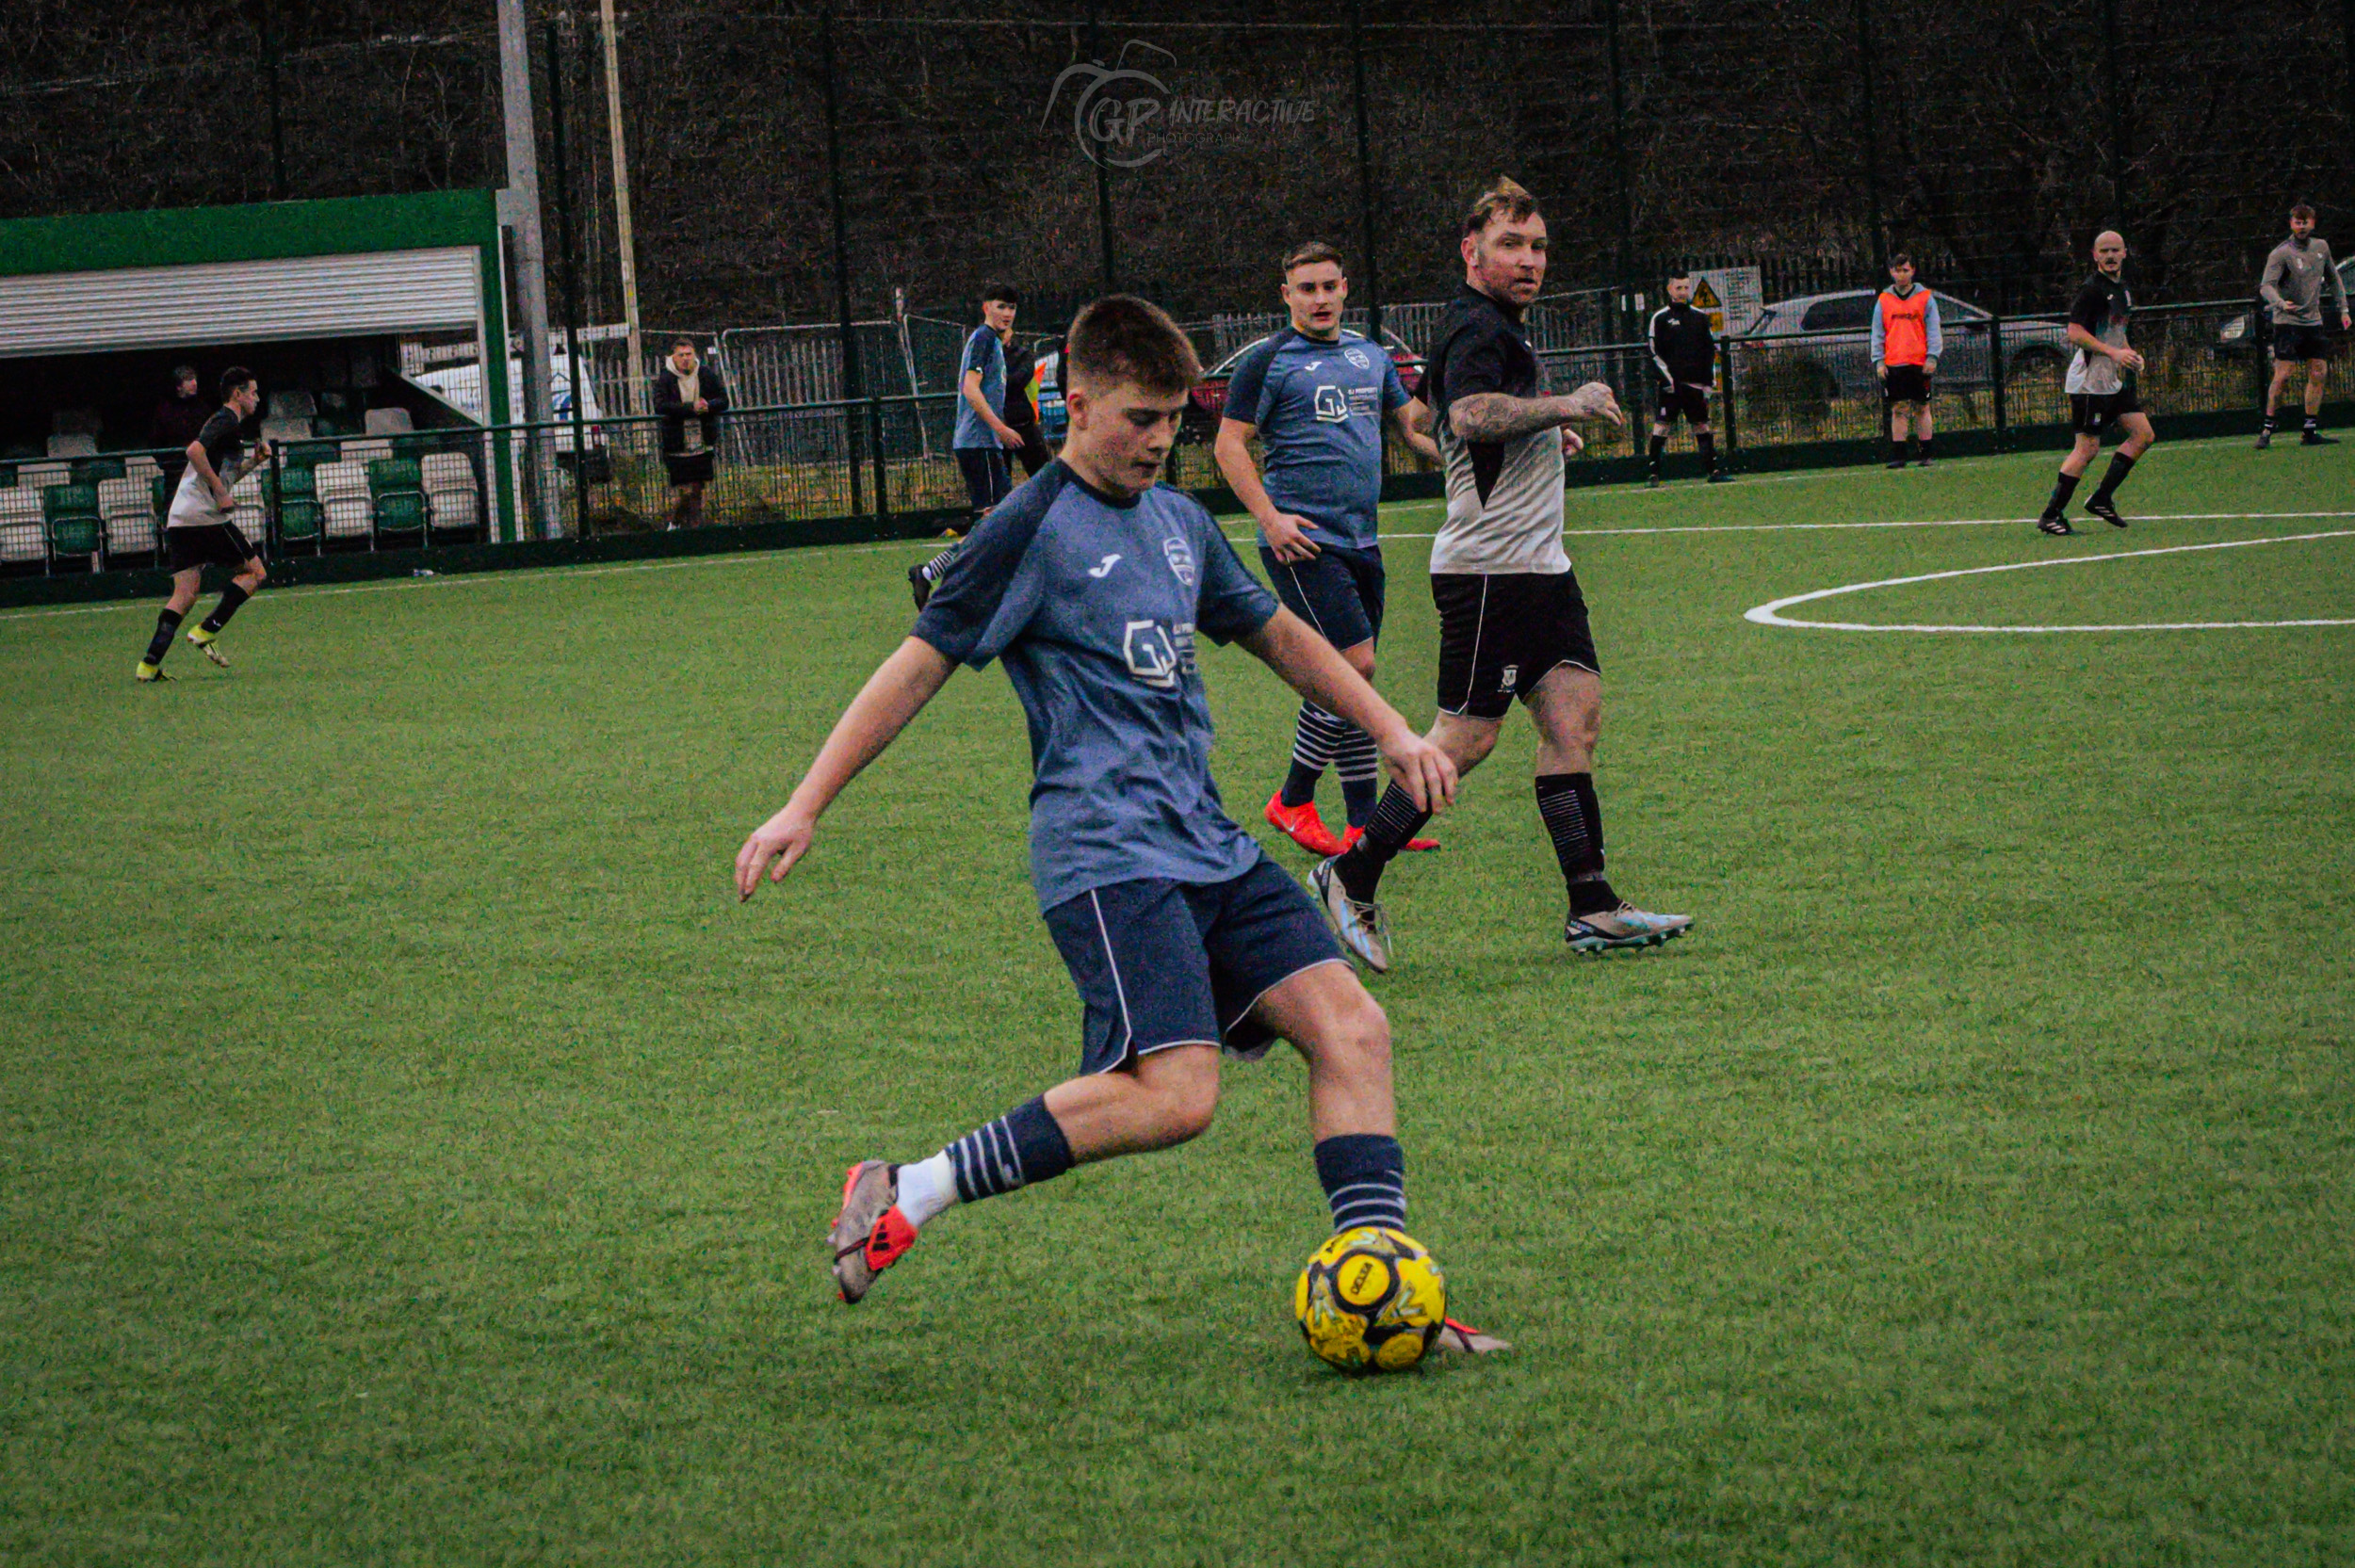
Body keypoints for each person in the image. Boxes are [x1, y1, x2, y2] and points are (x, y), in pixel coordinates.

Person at [734, 295, 1501, 1353]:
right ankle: (910, 1187)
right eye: (1141, 418)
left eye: (1175, 421)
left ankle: (1385, 1288)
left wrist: (1392, 730)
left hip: (1206, 841)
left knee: (1354, 1029)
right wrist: (804, 802)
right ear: (1078, 404)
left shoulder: (1179, 522)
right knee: (1177, 1098)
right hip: (1106, 854)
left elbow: (1281, 636)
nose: (1159, 440)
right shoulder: (1025, 528)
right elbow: (916, 667)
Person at [1310, 178, 1693, 968]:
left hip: (1540, 567)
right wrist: (1562, 409)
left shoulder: (1489, 327)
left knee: (1574, 717)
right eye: (1511, 245)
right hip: (1490, 572)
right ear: (1471, 251)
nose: (1529, 260)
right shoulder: (1477, 325)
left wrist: (1538, 440)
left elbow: (1427, 416)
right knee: (1465, 740)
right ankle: (1351, 872)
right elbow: (1467, 415)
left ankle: (1592, 906)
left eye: (1538, 246)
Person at [1214, 240, 1443, 859]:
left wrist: (1472, 453)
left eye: (1328, 286)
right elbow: (1228, 445)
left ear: (1345, 289)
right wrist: (1269, 518)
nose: (1319, 298)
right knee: (1352, 668)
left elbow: (1414, 430)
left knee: (1351, 677)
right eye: (1306, 288)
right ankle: (1292, 798)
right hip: (1302, 543)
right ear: (1286, 295)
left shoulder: (1372, 356)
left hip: (1363, 540)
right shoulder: (1267, 362)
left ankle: (1363, 822)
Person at [135, 367, 269, 684]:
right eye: (253, 392)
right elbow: (193, 451)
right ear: (237, 394)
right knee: (255, 573)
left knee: (185, 594)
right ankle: (207, 630)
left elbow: (224, 475)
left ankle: (148, 665)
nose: (257, 398)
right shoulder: (226, 419)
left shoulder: (229, 427)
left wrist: (253, 462)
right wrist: (220, 492)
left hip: (181, 516)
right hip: (203, 515)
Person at [911, 286, 1029, 606]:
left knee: (999, 523)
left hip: (982, 444)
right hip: (980, 443)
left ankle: (931, 574)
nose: (1008, 313)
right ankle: (956, 585)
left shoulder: (991, 341)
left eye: (1012, 308)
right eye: (1002, 306)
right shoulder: (984, 339)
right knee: (996, 523)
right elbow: (970, 389)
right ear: (986, 307)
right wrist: (1000, 428)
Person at [2036, 231, 2155, 535]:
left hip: (2109, 381)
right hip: (2088, 383)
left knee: (2143, 435)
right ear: (2094, 255)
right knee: (2087, 449)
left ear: (2125, 252)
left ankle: (2101, 498)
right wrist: (2114, 353)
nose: (2110, 256)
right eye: (2104, 251)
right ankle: (2051, 514)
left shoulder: (2123, 289)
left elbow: (2115, 332)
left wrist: (2129, 353)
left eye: (2115, 250)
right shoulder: (2091, 290)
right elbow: (2075, 333)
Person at [2255, 203, 2349, 448]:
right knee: (2283, 375)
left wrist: (2344, 309)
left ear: (2313, 223)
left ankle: (2309, 431)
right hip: (2287, 323)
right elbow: (2266, 286)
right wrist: (2280, 303)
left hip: (2313, 322)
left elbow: (2334, 279)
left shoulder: (2321, 247)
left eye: (2305, 222)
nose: (2302, 227)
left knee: (2319, 371)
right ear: (2291, 224)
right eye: (2297, 222)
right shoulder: (2281, 253)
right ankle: (2267, 429)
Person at [1645, 273, 1729, 484]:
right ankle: (1653, 474)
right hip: (1671, 387)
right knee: (1662, 427)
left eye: (1686, 288)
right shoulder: (1660, 318)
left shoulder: (1700, 317)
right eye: (1678, 288)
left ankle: (1713, 471)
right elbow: (1653, 351)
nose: (1683, 292)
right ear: (1669, 290)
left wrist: (1709, 382)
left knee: (1702, 426)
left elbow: (1709, 351)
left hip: (1695, 385)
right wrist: (1667, 380)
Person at [1871, 254, 1942, 469]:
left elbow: (1933, 329)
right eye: (1897, 270)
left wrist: (1932, 356)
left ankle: (1926, 454)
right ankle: (1899, 456)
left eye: (1905, 270)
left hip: (1919, 363)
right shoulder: (1884, 300)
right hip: (1894, 363)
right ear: (1891, 272)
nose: (1901, 275)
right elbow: (1877, 333)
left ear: (1913, 271)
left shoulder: (1925, 298)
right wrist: (1879, 361)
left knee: (1922, 407)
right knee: (1898, 409)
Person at [653, 337, 729, 529]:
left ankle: (695, 529)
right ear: (673, 357)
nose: (685, 359)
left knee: (698, 490)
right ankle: (674, 523)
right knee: (684, 491)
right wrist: (690, 408)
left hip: (702, 440)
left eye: (689, 354)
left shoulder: (705, 373)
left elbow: (723, 400)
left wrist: (708, 406)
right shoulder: (666, 378)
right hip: (676, 442)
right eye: (681, 355)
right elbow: (660, 406)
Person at [148, 364, 210, 492]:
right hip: (175, 472)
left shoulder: (202, 408)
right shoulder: (165, 410)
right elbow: (155, 439)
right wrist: (166, 463)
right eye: (189, 380)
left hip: (200, 469)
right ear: (178, 386)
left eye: (194, 379)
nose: (194, 383)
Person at [1001, 331, 1053, 478]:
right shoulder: (987, 356)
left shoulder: (1023, 355)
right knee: (999, 481)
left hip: (1023, 422)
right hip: (996, 424)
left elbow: (1020, 380)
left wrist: (998, 381)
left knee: (1042, 475)